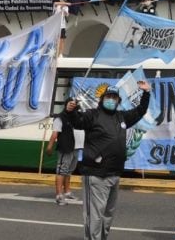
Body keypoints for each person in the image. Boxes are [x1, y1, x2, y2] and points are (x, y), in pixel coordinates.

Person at [65, 82, 151, 240]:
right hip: (95, 174)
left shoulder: (121, 117)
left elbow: (140, 111)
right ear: (102, 98)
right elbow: (77, 121)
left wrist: (146, 93)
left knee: (107, 215)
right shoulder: (93, 114)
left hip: (114, 174)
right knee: (95, 215)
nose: (111, 100)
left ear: (118, 101)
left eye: (115, 98)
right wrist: (70, 110)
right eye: (109, 97)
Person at [46, 97, 85, 205]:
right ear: (66, 104)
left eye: (74, 104)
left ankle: (67, 192)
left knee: (69, 171)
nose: (72, 105)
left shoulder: (77, 117)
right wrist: (49, 146)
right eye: (70, 103)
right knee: (61, 171)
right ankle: (59, 195)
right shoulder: (60, 118)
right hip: (66, 148)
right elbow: (55, 133)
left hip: (76, 148)